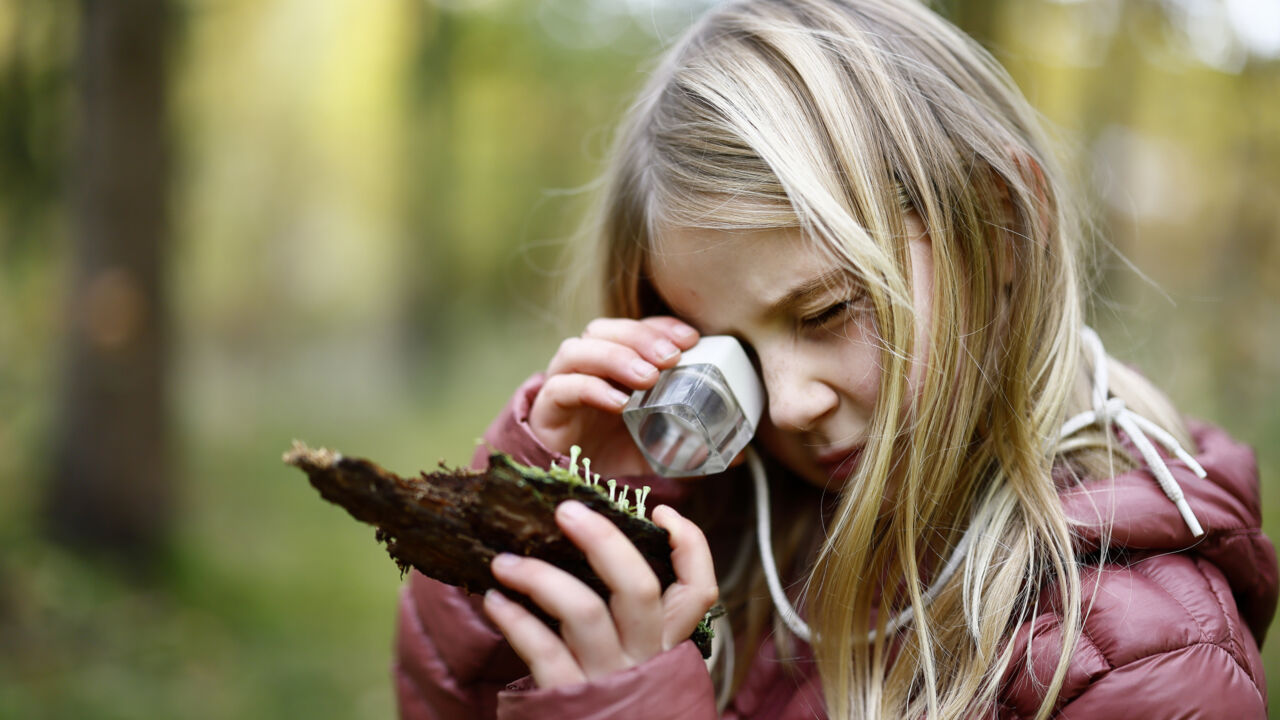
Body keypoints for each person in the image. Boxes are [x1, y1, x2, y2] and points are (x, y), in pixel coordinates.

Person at [393, 0, 1277, 717]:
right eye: (726, 357)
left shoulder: (1139, 654)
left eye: (825, 312)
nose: (785, 405)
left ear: (1003, 232)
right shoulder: (734, 531)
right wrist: (566, 518)